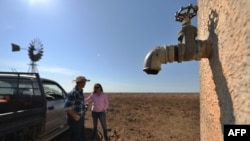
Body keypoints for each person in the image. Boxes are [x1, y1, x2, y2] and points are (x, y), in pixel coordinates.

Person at [64, 76, 90, 141]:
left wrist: (84, 107)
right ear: (79, 83)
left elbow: (77, 104)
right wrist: (75, 116)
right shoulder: (73, 92)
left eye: (85, 82)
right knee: (76, 137)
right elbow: (67, 107)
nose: (84, 83)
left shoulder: (80, 92)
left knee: (81, 135)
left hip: (80, 118)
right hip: (75, 120)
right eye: (83, 82)